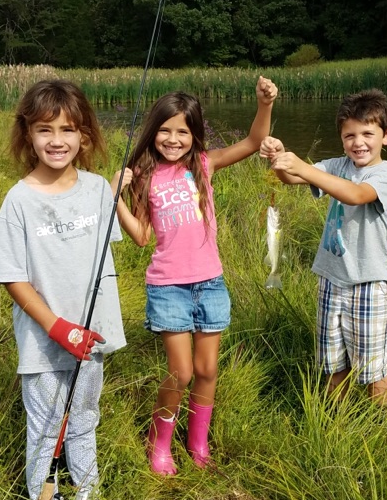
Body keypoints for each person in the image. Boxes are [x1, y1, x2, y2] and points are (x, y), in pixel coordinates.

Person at [112, 76, 278, 475]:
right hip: (168, 286)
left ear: (195, 134)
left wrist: (264, 104)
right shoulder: (143, 174)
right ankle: (160, 441)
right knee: (181, 372)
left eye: (182, 131)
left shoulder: (204, 164)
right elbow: (141, 237)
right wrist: (115, 196)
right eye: (165, 131)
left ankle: (198, 443)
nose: (173, 139)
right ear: (153, 132)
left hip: (211, 284)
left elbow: (254, 141)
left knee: (207, 370)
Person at [0, 79, 126, 500]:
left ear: (84, 134)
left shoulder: (97, 191)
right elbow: (12, 277)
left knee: (85, 417)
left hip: (92, 338)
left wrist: (122, 188)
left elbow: (107, 261)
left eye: (68, 130)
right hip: (46, 341)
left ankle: (86, 497)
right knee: (46, 427)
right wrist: (57, 327)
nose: (57, 140)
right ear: (27, 134)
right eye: (45, 130)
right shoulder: (19, 200)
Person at [260, 89, 387, 405]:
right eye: (350, 135)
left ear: (386, 136)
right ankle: (333, 419)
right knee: (333, 365)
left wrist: (302, 166)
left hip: (369, 285)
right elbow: (289, 179)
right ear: (341, 138)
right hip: (330, 281)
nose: (358, 142)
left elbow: (355, 194)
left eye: (368, 133)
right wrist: (280, 158)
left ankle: (383, 422)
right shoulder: (338, 166)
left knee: (373, 371)